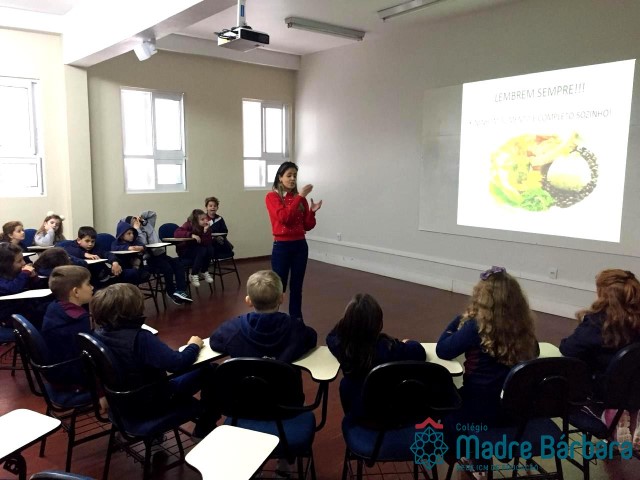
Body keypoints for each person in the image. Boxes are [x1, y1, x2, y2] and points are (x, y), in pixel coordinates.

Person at [436, 266, 538, 456]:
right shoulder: (524, 329)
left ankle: (466, 455)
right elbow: (535, 353)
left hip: (478, 411)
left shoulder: (475, 327)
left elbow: (443, 350)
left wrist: (459, 320)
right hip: (515, 412)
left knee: (444, 407)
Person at [91, 283, 217, 435]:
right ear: (134, 309)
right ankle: (205, 426)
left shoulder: (97, 335)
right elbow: (177, 363)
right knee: (212, 370)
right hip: (152, 404)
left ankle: (158, 437)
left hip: (121, 404)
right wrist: (194, 346)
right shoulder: (141, 338)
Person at [560, 269, 640, 446]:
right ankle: (633, 417)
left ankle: (607, 414)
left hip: (603, 392)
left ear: (604, 296)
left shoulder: (597, 323)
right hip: (634, 389)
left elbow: (568, 349)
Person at [326, 293, 425, 416]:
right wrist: (408, 342)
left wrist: (350, 320)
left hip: (359, 415)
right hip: (391, 413)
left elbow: (331, 336)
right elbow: (419, 351)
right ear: (378, 323)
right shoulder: (389, 349)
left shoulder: (343, 347)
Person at [209, 270, 317, 362]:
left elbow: (215, 341)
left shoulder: (233, 329)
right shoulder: (295, 328)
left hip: (246, 381)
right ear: (281, 298)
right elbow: (312, 338)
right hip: (284, 381)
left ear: (248, 301)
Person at [265, 162, 322, 320]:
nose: (292, 179)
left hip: (300, 246)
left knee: (297, 286)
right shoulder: (272, 197)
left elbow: (307, 225)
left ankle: (296, 319)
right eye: (289, 175)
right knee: (278, 286)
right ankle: (272, 318)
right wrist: (300, 196)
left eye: (295, 176)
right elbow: (285, 218)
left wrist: (312, 212)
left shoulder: (300, 199)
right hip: (282, 246)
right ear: (280, 177)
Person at [119, 212, 191, 304]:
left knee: (178, 264)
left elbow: (152, 214)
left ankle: (181, 290)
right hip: (151, 258)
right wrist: (137, 229)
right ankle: (171, 291)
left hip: (161, 254)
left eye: (137, 220)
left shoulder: (147, 226)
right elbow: (143, 243)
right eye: (134, 222)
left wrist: (141, 217)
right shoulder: (134, 235)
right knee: (167, 268)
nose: (137, 222)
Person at [41, 265, 93, 387]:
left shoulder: (54, 306)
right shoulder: (78, 321)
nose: (92, 287)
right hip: (74, 377)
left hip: (58, 371)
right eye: (88, 284)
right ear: (76, 292)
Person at [0, 242, 47, 329]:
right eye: (19, 261)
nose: (24, 263)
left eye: (23, 259)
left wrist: (34, 278)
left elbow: (36, 290)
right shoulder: (20, 274)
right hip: (8, 315)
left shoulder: (17, 272)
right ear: (6, 264)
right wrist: (25, 273)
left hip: (25, 308)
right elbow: (12, 288)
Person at [174, 209, 214, 288]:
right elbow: (177, 233)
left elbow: (206, 242)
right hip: (185, 250)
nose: (205, 221)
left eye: (206, 219)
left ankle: (204, 271)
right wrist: (191, 234)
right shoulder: (188, 224)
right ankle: (193, 274)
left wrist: (205, 231)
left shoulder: (205, 227)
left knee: (210, 249)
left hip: (196, 249)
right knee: (202, 250)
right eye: (202, 219)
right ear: (196, 220)